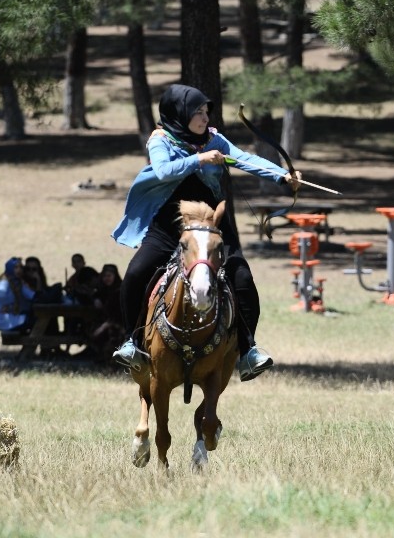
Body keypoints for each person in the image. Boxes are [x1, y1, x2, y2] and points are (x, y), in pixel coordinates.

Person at [111, 83, 301, 381]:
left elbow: (245, 159)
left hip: (212, 225)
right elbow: (162, 171)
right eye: (197, 112)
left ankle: (248, 350)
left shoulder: (214, 139)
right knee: (136, 273)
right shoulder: (160, 140)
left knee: (242, 277)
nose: (204, 117)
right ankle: (132, 343)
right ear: (179, 114)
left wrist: (283, 176)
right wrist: (199, 159)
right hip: (169, 226)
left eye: (205, 111)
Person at [0, 257, 36, 334]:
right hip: (5, 321)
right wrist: (11, 306)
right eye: (16, 267)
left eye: (21, 267)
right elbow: (1, 294)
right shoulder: (4, 281)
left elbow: (32, 295)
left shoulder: (18, 282)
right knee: (38, 322)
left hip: (15, 317)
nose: (19, 270)